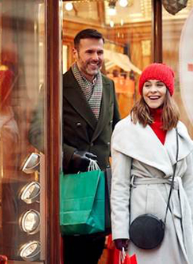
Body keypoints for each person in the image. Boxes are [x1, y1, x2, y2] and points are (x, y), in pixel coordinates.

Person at [110, 63, 193, 264]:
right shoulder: (126, 129)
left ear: (168, 90)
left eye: (159, 85)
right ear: (141, 90)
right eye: (147, 85)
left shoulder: (180, 129)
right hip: (144, 219)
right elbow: (119, 185)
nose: (153, 90)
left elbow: (188, 183)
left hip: (178, 215)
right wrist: (120, 230)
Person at [62, 28, 121, 264]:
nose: (95, 57)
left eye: (99, 51)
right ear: (75, 52)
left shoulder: (108, 85)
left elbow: (117, 128)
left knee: (96, 246)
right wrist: (70, 155)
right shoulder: (58, 85)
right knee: (75, 250)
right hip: (72, 182)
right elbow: (37, 132)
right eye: (89, 52)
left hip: (100, 181)